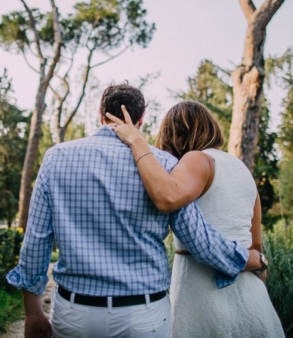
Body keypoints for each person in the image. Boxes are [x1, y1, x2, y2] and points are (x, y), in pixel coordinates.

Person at [7, 84, 263, 338]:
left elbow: (36, 241)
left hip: (75, 312)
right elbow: (200, 241)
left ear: (101, 113)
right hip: (144, 315)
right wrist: (249, 259)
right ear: (141, 119)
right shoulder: (165, 165)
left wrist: (33, 313)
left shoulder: (56, 158)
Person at [107, 100, 284, 338]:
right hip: (251, 292)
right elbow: (256, 246)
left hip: (203, 291)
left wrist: (137, 142)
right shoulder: (242, 169)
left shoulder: (198, 159)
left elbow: (167, 197)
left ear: (174, 135)